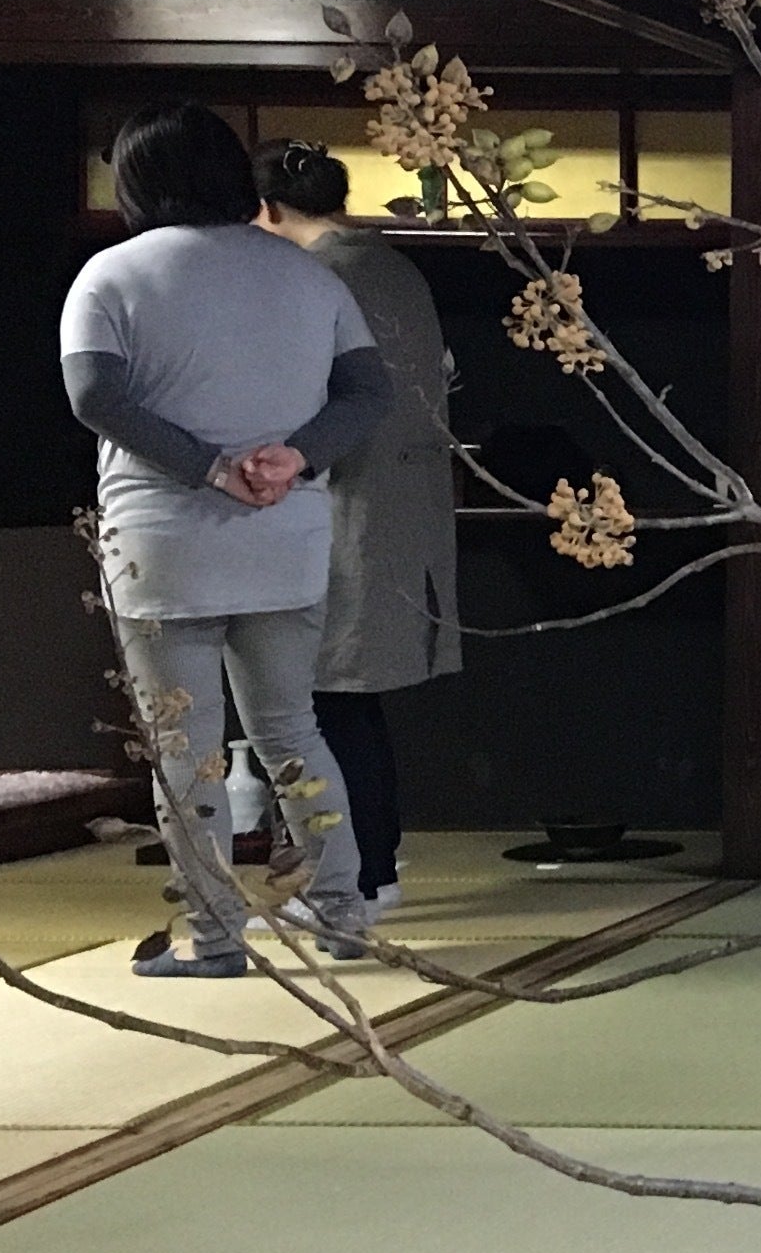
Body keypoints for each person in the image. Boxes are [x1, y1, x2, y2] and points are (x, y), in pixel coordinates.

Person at [62, 104, 395, 977]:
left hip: (163, 540)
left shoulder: (111, 274)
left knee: (187, 751)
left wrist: (210, 468)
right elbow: (368, 394)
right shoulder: (308, 277)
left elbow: (94, 398)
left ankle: (214, 938)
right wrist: (296, 455)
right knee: (294, 734)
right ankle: (342, 912)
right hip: (285, 533)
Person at [257, 140, 462, 915]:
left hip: (347, 507)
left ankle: (361, 878)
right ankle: (378, 866)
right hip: (404, 507)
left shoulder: (318, 278)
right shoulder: (394, 268)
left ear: (267, 210)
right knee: (350, 700)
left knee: (327, 698)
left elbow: (312, 398)